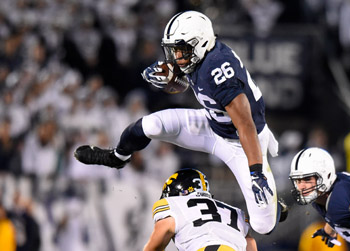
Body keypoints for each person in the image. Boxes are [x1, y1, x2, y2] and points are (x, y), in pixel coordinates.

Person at [74, 11, 286, 235]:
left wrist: (256, 173)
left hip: (243, 142)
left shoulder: (218, 69)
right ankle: (117, 157)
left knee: (264, 225)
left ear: (201, 43)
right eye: (174, 50)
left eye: (181, 50)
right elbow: (189, 85)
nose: (175, 57)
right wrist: (171, 79)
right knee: (149, 126)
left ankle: (276, 208)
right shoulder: (203, 56)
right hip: (212, 123)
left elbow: (246, 125)